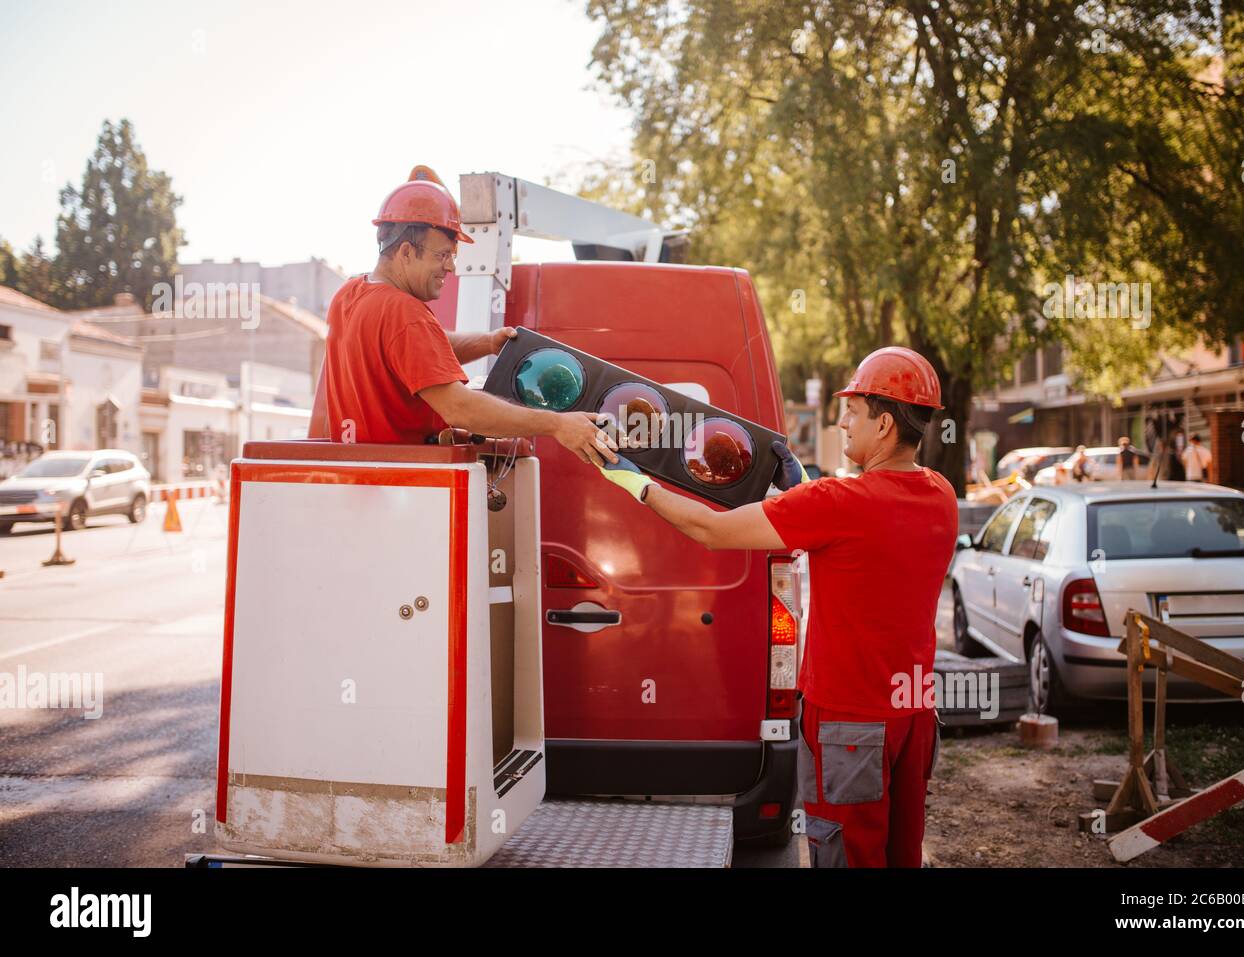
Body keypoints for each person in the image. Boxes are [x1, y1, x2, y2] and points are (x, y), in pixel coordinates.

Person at [591, 346, 958, 867]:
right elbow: (866, 543)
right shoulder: (940, 495)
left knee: (847, 855)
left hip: (849, 724)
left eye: (852, 412)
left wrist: (633, 480)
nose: (843, 422)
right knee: (901, 855)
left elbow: (711, 530)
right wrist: (803, 491)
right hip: (914, 717)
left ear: (883, 423)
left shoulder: (838, 503)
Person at [310, 165, 618, 466]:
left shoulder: (348, 295)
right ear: (405, 252)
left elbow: (418, 349)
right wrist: (557, 424)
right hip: (406, 487)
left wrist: (487, 343)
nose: (451, 267)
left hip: (358, 479)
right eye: (442, 255)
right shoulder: (404, 312)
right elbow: (460, 409)